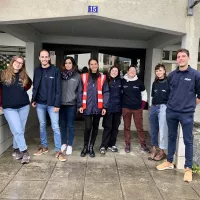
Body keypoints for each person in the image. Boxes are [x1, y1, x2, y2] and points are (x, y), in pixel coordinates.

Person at [156, 48, 200, 182]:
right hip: (172, 112)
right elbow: (169, 92)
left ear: (188, 58)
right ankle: (169, 161)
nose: (180, 58)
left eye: (183, 56)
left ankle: (188, 168)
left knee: (188, 140)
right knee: (171, 137)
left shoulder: (195, 75)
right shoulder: (172, 75)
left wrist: (191, 105)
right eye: (178, 57)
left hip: (186, 114)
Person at [32, 49, 66, 162]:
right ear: (39, 58)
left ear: (49, 58)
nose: (44, 59)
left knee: (55, 127)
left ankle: (58, 150)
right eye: (42, 57)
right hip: (40, 103)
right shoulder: (37, 70)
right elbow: (35, 86)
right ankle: (44, 146)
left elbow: (58, 89)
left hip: (52, 104)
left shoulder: (55, 70)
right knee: (42, 125)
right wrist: (33, 99)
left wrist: (57, 104)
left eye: (46, 57)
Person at [0, 56, 32, 164]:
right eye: (17, 62)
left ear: (22, 65)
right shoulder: (3, 74)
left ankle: (16, 149)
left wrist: (20, 91)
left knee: (20, 130)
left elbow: (29, 85)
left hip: (24, 106)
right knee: (18, 130)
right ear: (12, 62)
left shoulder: (24, 75)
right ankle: (25, 152)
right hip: (9, 108)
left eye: (21, 63)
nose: (18, 64)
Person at [78, 58, 109, 157]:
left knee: (95, 128)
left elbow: (106, 92)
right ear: (89, 65)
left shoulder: (103, 77)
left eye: (95, 64)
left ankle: (91, 147)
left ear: (97, 65)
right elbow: (80, 92)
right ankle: (85, 147)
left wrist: (105, 106)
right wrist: (80, 105)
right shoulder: (83, 77)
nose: (93, 66)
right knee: (88, 127)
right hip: (87, 107)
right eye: (91, 64)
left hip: (98, 107)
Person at [122, 65, 150, 153]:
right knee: (127, 127)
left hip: (137, 109)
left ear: (136, 72)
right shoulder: (123, 81)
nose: (132, 72)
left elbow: (144, 95)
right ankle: (127, 144)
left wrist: (142, 106)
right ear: (127, 71)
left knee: (140, 128)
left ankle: (143, 144)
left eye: (134, 70)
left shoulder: (139, 82)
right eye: (130, 70)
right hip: (126, 108)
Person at [60, 56, 81, 155]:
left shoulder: (77, 76)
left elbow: (80, 91)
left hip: (71, 104)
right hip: (61, 104)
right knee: (62, 125)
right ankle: (64, 143)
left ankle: (70, 145)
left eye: (70, 63)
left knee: (70, 125)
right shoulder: (60, 75)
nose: (68, 65)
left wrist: (79, 104)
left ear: (73, 64)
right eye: (66, 63)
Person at [149, 64, 169, 161]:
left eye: (160, 70)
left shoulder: (169, 82)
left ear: (164, 71)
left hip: (163, 107)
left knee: (162, 130)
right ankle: (154, 149)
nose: (158, 72)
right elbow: (153, 95)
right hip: (154, 107)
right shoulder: (155, 83)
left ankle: (162, 152)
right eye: (157, 71)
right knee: (153, 130)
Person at [99, 66, 122, 154]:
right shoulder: (106, 81)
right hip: (108, 108)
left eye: (116, 71)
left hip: (118, 108)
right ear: (110, 71)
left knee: (115, 127)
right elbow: (102, 94)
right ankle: (103, 145)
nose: (114, 72)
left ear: (118, 72)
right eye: (113, 70)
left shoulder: (121, 81)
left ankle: (112, 144)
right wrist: (103, 107)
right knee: (107, 127)